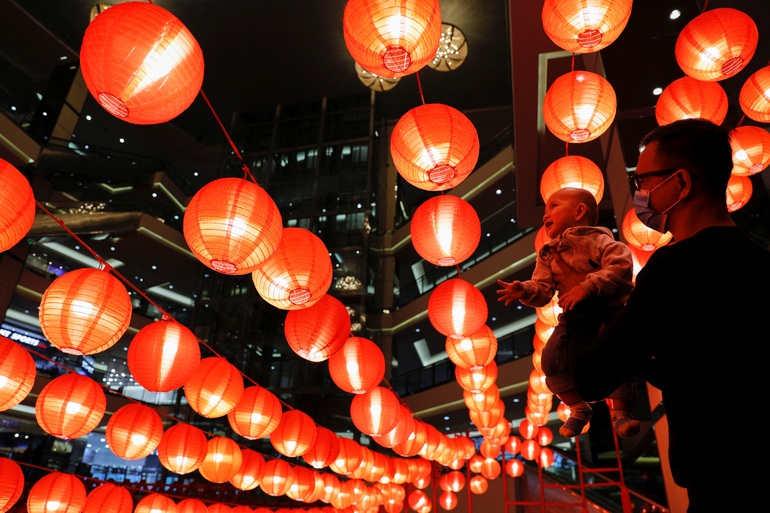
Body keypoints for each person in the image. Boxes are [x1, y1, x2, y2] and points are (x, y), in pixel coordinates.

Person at [569, 118, 770, 511]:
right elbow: (703, 367)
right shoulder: (761, 261)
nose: (640, 195)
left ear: (680, 183)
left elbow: (592, 377)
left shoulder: (675, 266)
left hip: (722, 485)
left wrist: (580, 301)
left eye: (642, 182)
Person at [496, 186, 640, 438]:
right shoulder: (547, 254)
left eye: (553, 206)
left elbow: (621, 264)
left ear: (579, 212)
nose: (545, 215)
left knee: (616, 352)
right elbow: (542, 289)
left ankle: (621, 412)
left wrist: (588, 286)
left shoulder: (598, 239)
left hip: (609, 309)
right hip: (573, 316)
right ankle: (578, 408)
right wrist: (524, 290)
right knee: (550, 357)